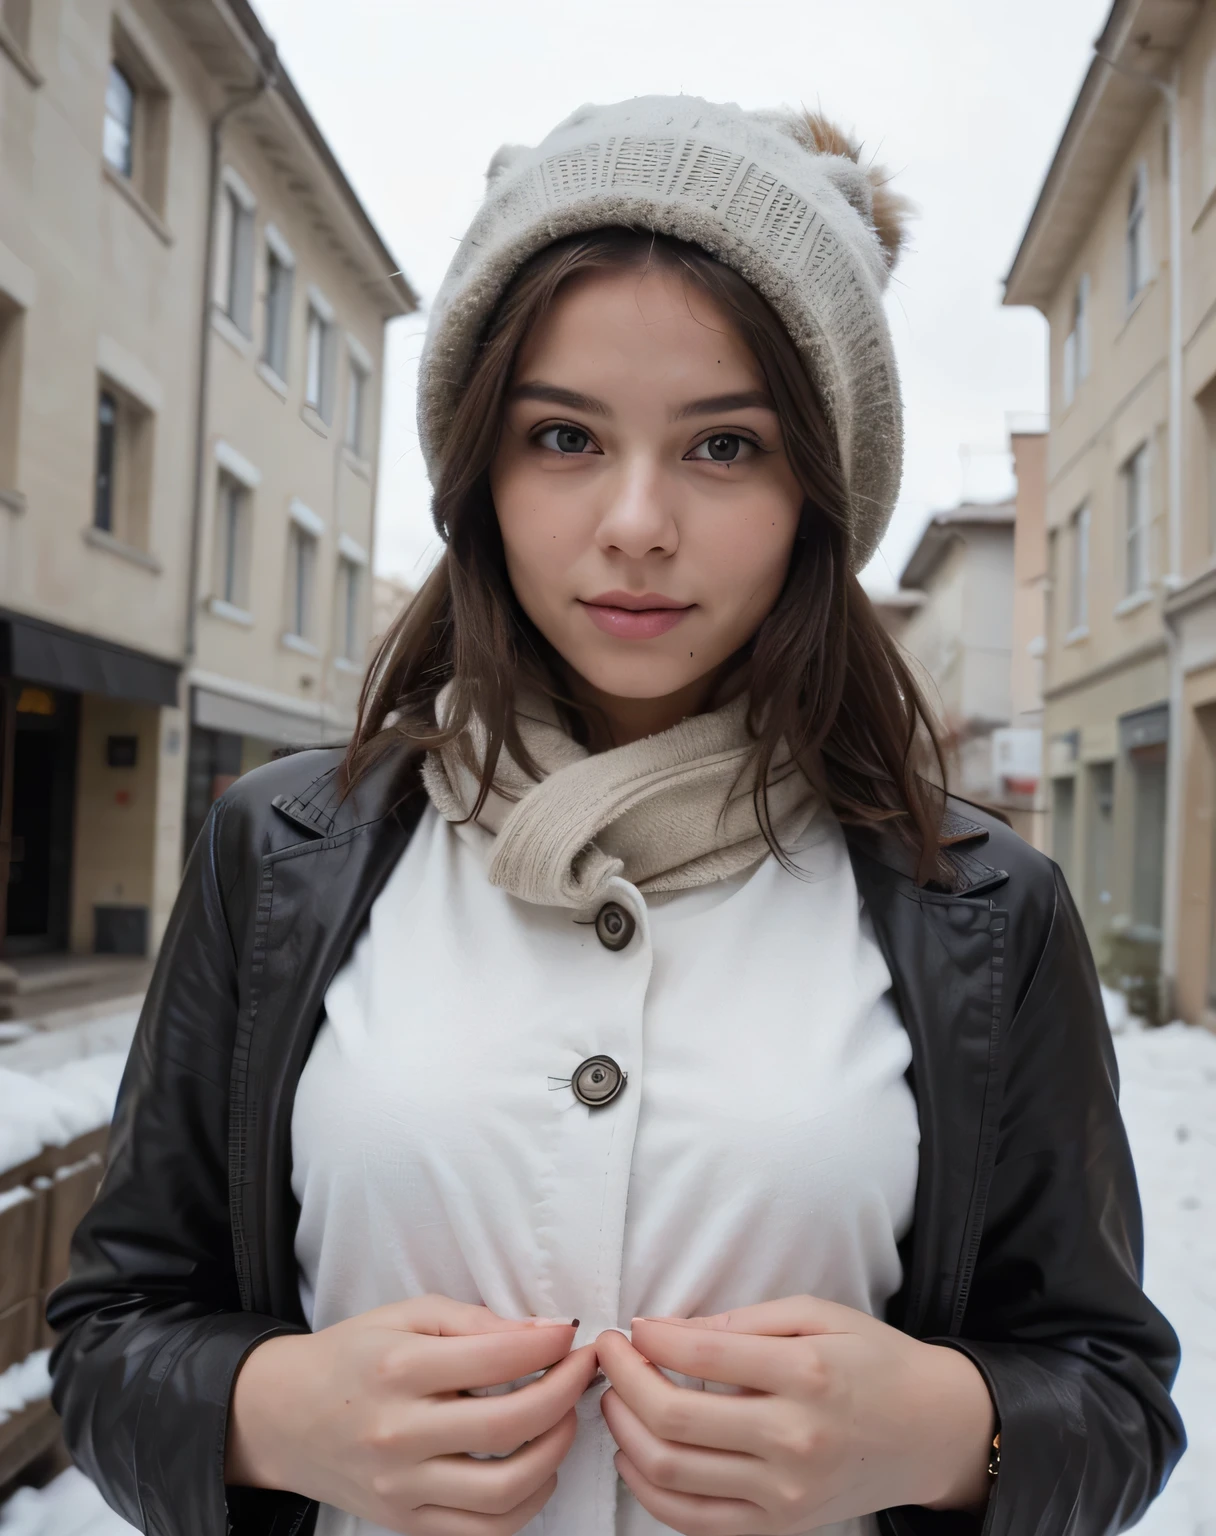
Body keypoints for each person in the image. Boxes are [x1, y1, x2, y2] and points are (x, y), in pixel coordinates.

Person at [48, 95, 1183, 1536]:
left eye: (724, 448)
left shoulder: (979, 904)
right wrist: (273, 1417)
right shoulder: (282, 854)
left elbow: (1114, 1392)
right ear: (482, 469)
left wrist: (951, 1437)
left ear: (819, 494)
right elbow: (107, 1331)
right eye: (565, 436)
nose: (637, 520)